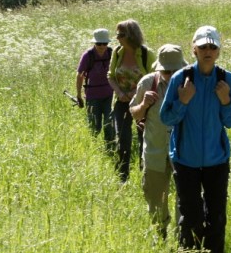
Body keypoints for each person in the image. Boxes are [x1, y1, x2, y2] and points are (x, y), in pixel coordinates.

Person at [159, 25, 231, 253]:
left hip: (217, 160)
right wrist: (183, 100)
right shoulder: (181, 80)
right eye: (203, 46)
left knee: (216, 216)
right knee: (191, 215)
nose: (208, 51)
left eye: (213, 47)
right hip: (185, 160)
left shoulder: (227, 80)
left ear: (219, 50)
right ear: (193, 49)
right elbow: (166, 118)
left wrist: (226, 100)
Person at [130, 44, 188, 240]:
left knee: (185, 198)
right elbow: (134, 114)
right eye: (166, 71)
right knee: (154, 197)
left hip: (184, 153)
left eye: (175, 70)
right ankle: (159, 233)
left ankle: (183, 239)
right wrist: (144, 104)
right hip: (155, 151)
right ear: (158, 69)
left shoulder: (190, 84)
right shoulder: (147, 83)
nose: (170, 75)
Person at [107, 19, 155, 183]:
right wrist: (119, 92)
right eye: (117, 34)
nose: (117, 37)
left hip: (143, 104)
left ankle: (145, 177)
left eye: (121, 34)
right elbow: (111, 76)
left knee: (144, 140)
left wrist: (136, 93)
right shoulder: (117, 52)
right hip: (121, 102)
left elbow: (154, 79)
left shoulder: (146, 54)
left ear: (132, 35)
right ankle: (122, 178)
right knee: (122, 140)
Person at [76, 28, 115, 152]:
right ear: (94, 43)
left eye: (105, 43)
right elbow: (79, 75)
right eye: (99, 44)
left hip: (110, 95)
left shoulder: (111, 53)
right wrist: (78, 95)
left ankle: (110, 148)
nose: (102, 46)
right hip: (92, 96)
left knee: (109, 124)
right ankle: (92, 149)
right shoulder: (88, 55)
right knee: (95, 125)